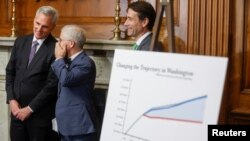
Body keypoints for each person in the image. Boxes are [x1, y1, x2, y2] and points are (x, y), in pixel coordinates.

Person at [5, 6, 59, 141]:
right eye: (37, 23)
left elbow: (51, 85)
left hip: (38, 117)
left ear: (53, 26)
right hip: (16, 112)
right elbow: (10, 72)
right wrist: (11, 100)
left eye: (45, 26)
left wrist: (29, 109)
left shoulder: (56, 48)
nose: (39, 29)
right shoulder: (20, 41)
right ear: (34, 19)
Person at [51, 25, 99, 141]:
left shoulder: (85, 63)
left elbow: (66, 79)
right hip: (65, 124)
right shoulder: (67, 61)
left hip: (79, 126)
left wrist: (58, 58)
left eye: (61, 40)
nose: (58, 43)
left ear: (71, 44)